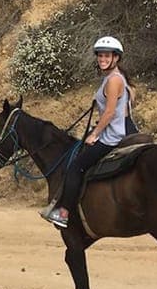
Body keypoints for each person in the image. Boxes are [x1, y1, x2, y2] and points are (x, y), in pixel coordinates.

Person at [45, 36, 136, 228]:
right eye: (100, 56)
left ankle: (63, 213)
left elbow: (110, 111)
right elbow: (124, 108)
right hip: (119, 130)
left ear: (116, 58)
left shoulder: (113, 81)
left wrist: (96, 133)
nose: (102, 59)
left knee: (75, 167)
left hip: (111, 137)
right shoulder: (119, 79)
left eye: (107, 56)